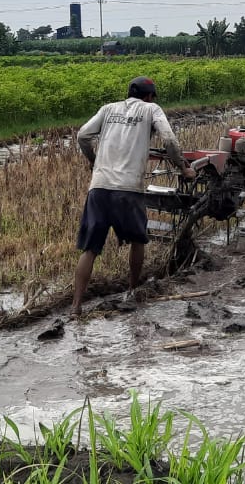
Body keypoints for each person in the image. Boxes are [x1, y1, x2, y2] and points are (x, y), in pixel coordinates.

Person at [71, 76, 195, 316]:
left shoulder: (108, 109)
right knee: (138, 240)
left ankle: (76, 306)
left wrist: (93, 162)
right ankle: (132, 289)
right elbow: (169, 139)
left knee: (90, 249)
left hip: (99, 187)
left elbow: (82, 136)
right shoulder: (151, 109)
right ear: (149, 96)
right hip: (128, 189)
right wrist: (183, 167)